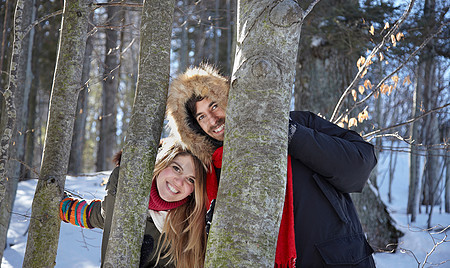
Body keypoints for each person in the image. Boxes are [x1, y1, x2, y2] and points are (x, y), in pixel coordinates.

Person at [165, 64, 378, 267]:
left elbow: (359, 166)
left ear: (229, 99)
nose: (212, 120)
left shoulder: (295, 124)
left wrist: (289, 135)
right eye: (201, 116)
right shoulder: (212, 171)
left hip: (338, 260)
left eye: (214, 105)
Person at [59, 138, 207, 268]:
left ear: (194, 190)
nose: (179, 182)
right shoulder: (126, 194)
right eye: (176, 168)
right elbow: (101, 215)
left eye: (190, 179)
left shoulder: (186, 228)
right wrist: (65, 208)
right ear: (161, 162)